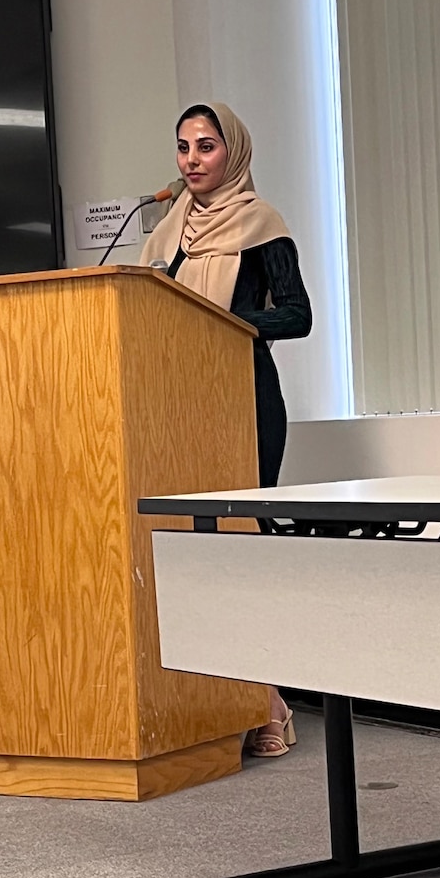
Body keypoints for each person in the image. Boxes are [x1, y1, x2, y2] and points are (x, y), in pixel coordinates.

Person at [141, 101, 312, 758]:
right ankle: (207, 700)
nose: (192, 161)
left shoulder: (260, 222)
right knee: (188, 552)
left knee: (242, 548)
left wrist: (226, 324)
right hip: (177, 408)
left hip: (243, 400)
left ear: (232, 152)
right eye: (183, 147)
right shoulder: (165, 235)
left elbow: (296, 315)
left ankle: (269, 700)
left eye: (206, 147)